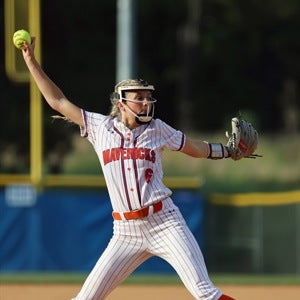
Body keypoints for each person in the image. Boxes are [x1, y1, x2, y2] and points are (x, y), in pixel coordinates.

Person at [21, 37, 236, 300]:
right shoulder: (100, 128)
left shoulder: (157, 129)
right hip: (125, 232)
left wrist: (227, 151)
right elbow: (57, 101)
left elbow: (195, 148)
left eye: (148, 97)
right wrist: (31, 62)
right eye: (139, 98)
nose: (146, 102)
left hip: (165, 223)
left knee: (205, 292)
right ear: (121, 102)